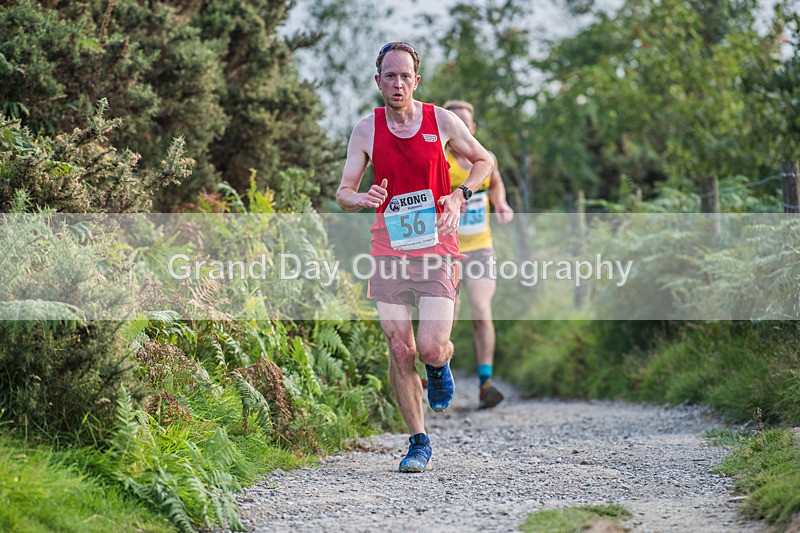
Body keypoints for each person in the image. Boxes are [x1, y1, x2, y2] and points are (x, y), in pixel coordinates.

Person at [336, 42, 494, 473]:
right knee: (399, 345)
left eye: (405, 76)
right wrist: (362, 197)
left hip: (437, 245)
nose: (398, 83)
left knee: (428, 346)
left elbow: (485, 160)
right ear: (378, 81)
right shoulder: (365, 129)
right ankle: (418, 441)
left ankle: (441, 362)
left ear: (416, 80)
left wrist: (461, 195)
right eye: (390, 75)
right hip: (388, 245)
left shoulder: (439, 120)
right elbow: (343, 192)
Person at [442, 100, 514, 409]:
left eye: (465, 123)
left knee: (481, 310)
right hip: (446, 249)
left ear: (472, 129)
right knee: (450, 313)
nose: (460, 128)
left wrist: (501, 203)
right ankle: (438, 371)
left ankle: (486, 383)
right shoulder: (439, 159)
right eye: (453, 122)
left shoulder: (487, 158)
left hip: (481, 246)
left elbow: (496, 183)